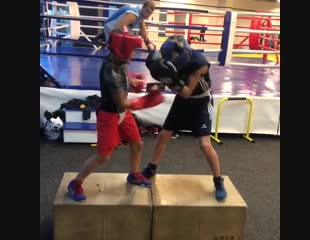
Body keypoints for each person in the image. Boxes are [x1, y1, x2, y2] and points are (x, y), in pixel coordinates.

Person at [67, 29, 165, 202]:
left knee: (137, 144)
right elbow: (123, 102)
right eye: (132, 50)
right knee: (103, 156)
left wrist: (135, 82)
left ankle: (134, 174)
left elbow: (126, 78)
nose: (134, 53)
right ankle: (76, 183)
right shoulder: (110, 71)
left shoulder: (121, 61)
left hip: (122, 114)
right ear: (123, 49)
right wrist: (148, 100)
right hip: (109, 115)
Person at [142, 35, 227, 201]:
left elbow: (187, 91)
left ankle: (218, 180)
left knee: (204, 144)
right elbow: (175, 79)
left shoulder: (199, 63)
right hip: (182, 101)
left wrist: (168, 80)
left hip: (201, 102)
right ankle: (151, 168)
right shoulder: (172, 58)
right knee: (163, 135)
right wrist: (159, 83)